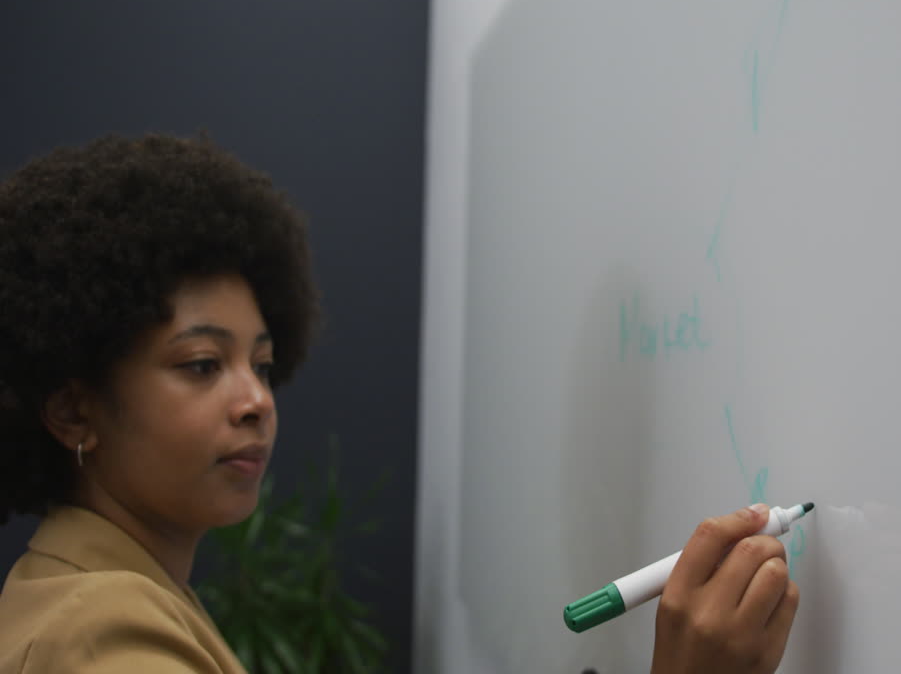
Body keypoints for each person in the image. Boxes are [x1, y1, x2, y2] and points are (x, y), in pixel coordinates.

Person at [0, 133, 799, 673]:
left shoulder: (114, 588)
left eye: (265, 364)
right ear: (74, 412)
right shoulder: (98, 634)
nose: (255, 401)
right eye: (203, 364)